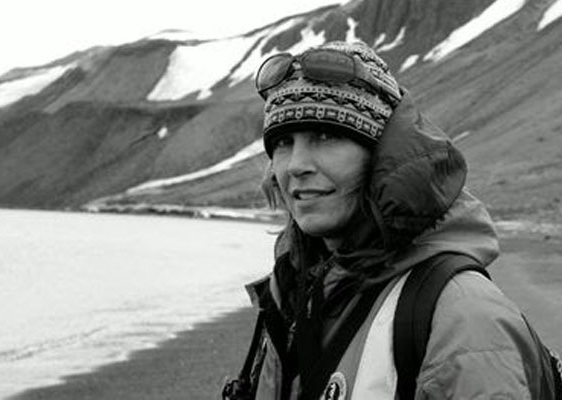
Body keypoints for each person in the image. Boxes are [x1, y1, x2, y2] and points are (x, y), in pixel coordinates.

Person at [230, 41, 559, 399]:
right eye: (282, 143)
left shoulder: (462, 316)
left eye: (325, 137)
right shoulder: (298, 290)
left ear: (384, 157)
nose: (295, 164)